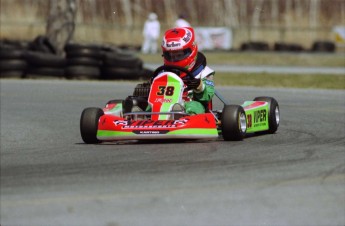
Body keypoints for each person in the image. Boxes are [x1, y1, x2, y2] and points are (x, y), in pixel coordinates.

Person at [160, 27, 215, 115]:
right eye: (170, 55)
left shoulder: (204, 72)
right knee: (149, 106)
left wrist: (200, 87)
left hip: (190, 103)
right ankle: (139, 117)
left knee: (194, 106)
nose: (174, 59)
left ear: (191, 51)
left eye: (178, 55)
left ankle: (179, 114)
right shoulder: (162, 73)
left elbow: (208, 96)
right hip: (163, 104)